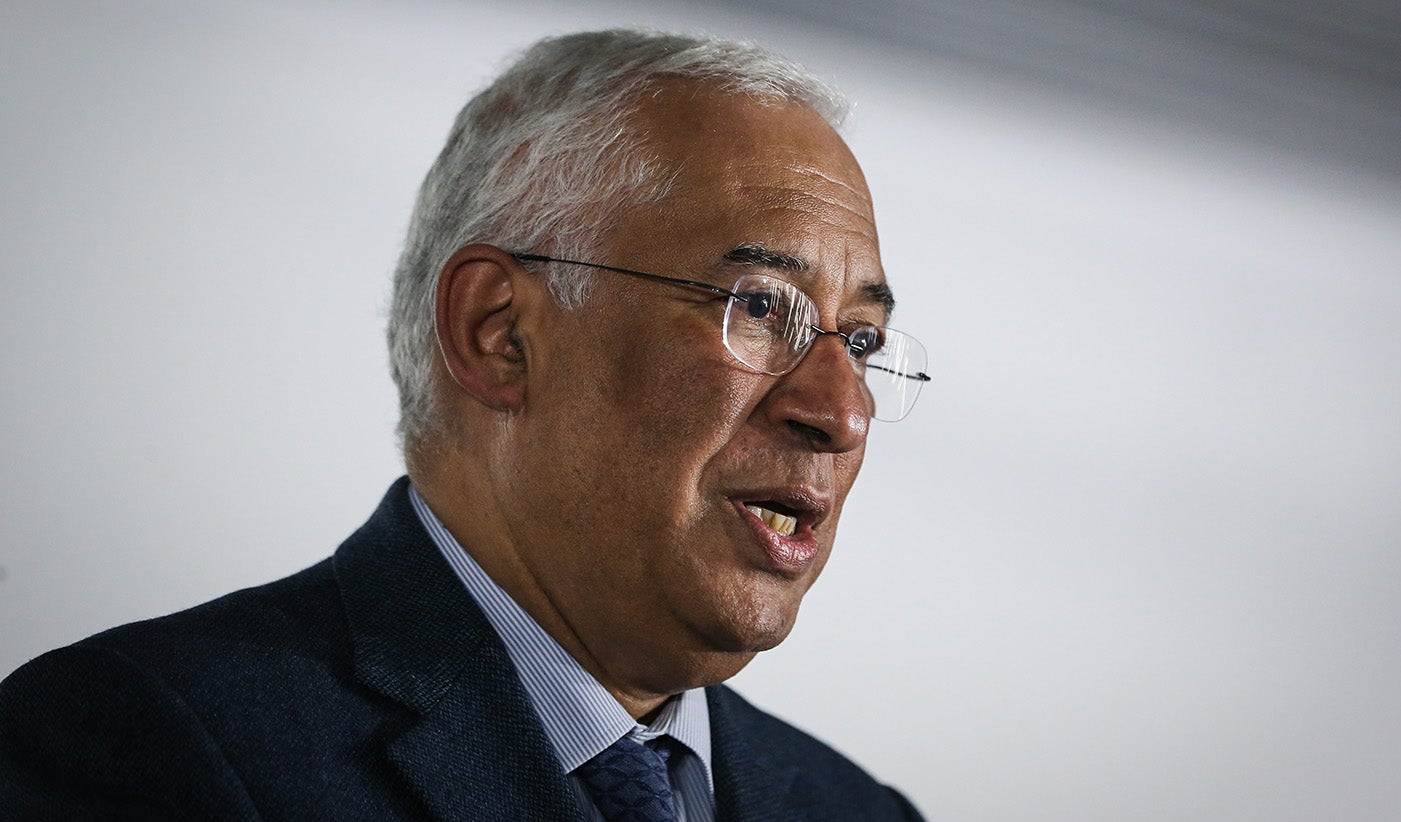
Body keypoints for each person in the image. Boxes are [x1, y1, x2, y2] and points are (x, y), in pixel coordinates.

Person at [0, 29, 930, 820]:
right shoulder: (147, 747)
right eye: (760, 306)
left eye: (860, 339)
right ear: (500, 334)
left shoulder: (856, 810)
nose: (842, 412)